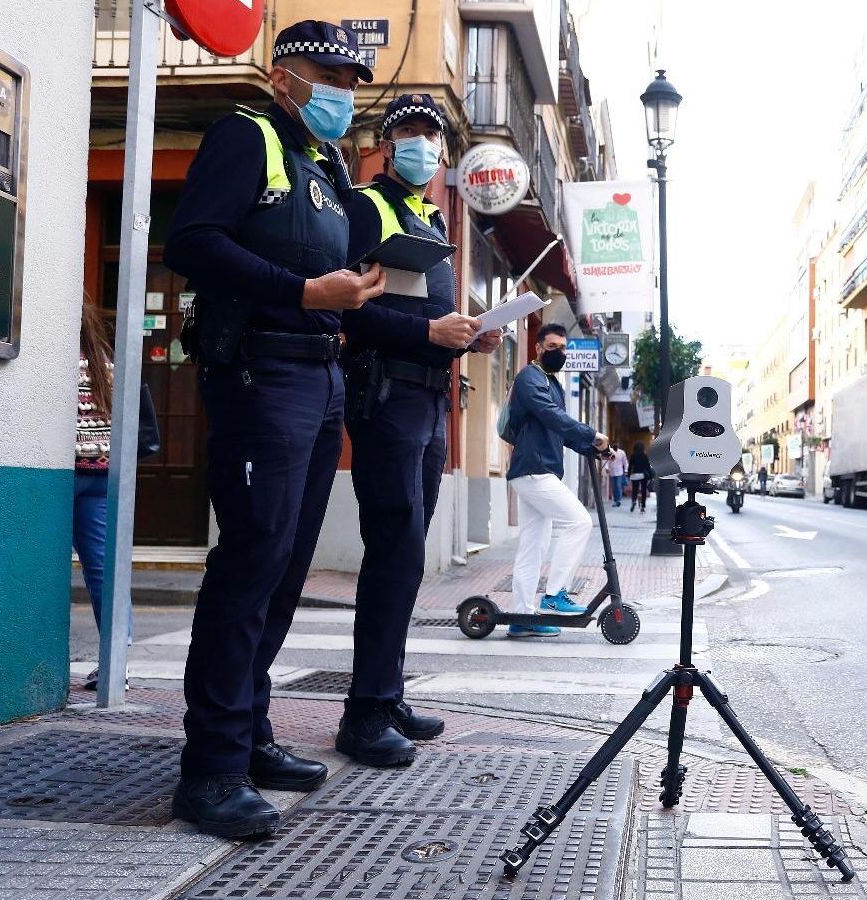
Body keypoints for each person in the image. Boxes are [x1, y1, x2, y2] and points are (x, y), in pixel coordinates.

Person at [163, 21, 383, 839]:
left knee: (286, 568)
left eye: (353, 79)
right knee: (251, 562)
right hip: (261, 372)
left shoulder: (322, 165)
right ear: (285, 72)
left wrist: (352, 294)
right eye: (331, 73)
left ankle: (250, 734)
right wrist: (302, 295)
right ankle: (211, 770)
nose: (344, 91)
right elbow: (192, 242)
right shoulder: (245, 135)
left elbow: (326, 273)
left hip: (317, 377)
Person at [336, 94, 501, 767]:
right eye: (409, 133)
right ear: (384, 141)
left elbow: (426, 316)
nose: (424, 146)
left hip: (430, 401)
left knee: (407, 555)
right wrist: (430, 332)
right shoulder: (365, 208)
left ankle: (387, 691)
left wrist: (465, 337)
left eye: (432, 137)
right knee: (393, 549)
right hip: (388, 396)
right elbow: (352, 306)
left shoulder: (430, 217)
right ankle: (365, 714)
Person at [504, 324, 609, 637]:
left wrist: (593, 447)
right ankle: (555, 594)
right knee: (579, 522)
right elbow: (550, 415)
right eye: (552, 346)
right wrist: (591, 434)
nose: (559, 353)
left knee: (532, 547)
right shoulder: (530, 378)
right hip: (533, 469)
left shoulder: (552, 383)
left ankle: (522, 616)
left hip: (539, 470)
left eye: (563, 348)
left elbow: (558, 431)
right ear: (538, 347)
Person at [75, 301, 129, 690]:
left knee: (43, 563)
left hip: (65, 474)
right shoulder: (103, 364)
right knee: (103, 569)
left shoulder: (55, 361)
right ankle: (116, 663)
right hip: (102, 473)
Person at [629, 441, 653, 512]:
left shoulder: (633, 456)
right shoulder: (644, 456)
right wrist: (650, 475)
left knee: (634, 490)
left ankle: (634, 501)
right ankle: (643, 506)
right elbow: (648, 466)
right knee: (643, 490)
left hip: (635, 475)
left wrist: (629, 474)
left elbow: (630, 466)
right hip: (643, 475)